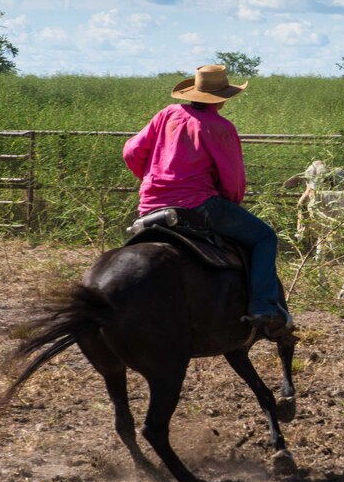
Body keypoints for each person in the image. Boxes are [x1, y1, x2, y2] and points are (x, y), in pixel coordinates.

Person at [123, 64, 293, 339]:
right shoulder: (220, 127)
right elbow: (233, 178)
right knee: (264, 237)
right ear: (222, 97)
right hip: (197, 205)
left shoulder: (167, 114)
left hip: (150, 205)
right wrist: (231, 201)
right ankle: (263, 307)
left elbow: (132, 151)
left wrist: (150, 181)